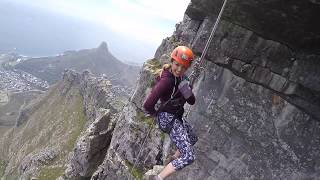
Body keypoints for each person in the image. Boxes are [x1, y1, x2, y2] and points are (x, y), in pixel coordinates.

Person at [143, 46, 198, 180]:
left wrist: (186, 89)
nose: (179, 69)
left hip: (176, 116)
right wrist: (157, 114)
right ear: (172, 61)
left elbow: (191, 101)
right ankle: (158, 178)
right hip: (168, 118)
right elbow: (148, 104)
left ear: (187, 68)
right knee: (189, 156)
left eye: (183, 67)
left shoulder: (181, 79)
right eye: (177, 65)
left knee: (192, 138)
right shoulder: (167, 81)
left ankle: (173, 158)